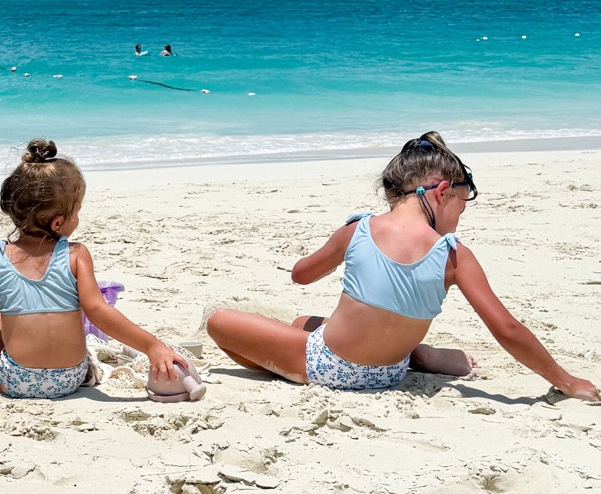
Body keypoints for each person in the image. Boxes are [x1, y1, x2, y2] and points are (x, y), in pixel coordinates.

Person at [206, 132, 600, 400]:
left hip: (332, 369)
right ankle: (416, 354)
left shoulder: (360, 229)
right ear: (443, 191)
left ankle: (403, 355)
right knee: (301, 323)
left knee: (219, 321)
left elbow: (301, 275)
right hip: (390, 372)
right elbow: (508, 329)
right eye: (463, 201)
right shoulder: (454, 254)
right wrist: (565, 381)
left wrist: (340, 244)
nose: (462, 212)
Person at [0, 138, 188, 399]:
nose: (78, 219)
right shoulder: (76, 255)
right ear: (58, 222)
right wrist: (152, 346)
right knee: (2, 313)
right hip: (70, 377)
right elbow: (98, 312)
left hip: (16, 381)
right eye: (77, 211)